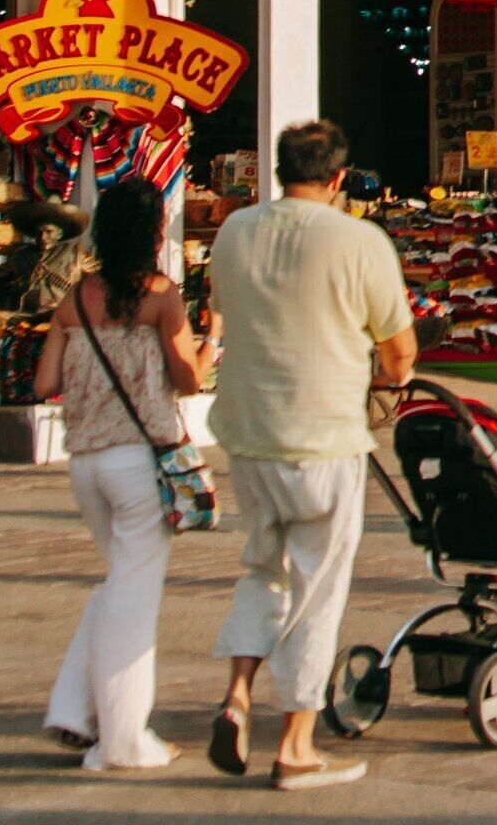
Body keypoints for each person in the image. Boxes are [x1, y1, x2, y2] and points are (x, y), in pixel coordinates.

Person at [208, 121, 415, 790]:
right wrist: (388, 376)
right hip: (323, 436)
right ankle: (296, 743)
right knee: (317, 588)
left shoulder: (235, 231)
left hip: (247, 433)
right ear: (337, 178)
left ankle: (237, 695)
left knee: (263, 570)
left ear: (277, 171)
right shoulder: (360, 240)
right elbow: (399, 350)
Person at [36, 177, 219, 770]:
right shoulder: (163, 296)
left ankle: (72, 709)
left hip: (85, 461)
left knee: (120, 584)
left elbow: (45, 385)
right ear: (153, 233)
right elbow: (189, 378)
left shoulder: (74, 299)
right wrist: (212, 340)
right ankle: (122, 738)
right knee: (133, 601)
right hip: (140, 462)